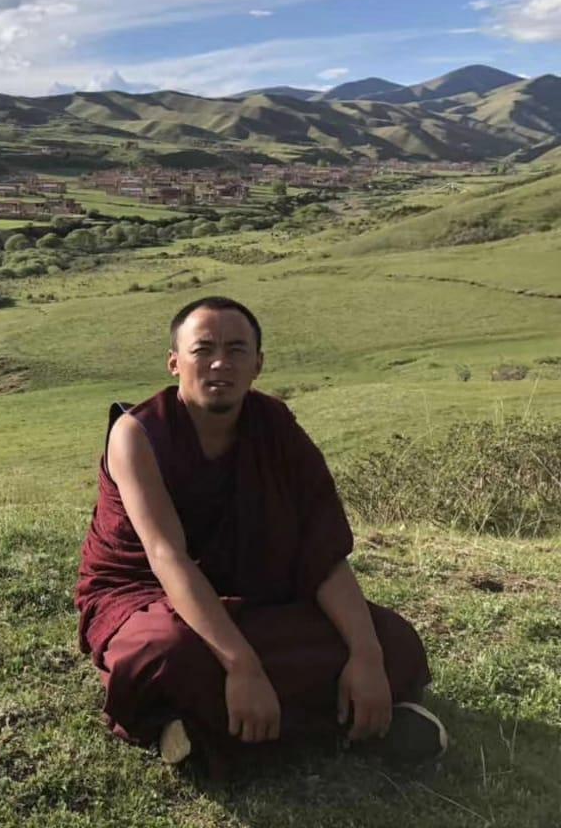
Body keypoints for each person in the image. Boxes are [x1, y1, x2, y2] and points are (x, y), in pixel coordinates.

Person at [75, 296, 445, 774]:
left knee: (394, 640)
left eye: (236, 350)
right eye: (202, 349)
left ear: (258, 364)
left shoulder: (277, 429)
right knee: (165, 651)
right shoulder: (137, 434)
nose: (219, 363)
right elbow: (169, 558)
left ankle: (199, 730)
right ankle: (352, 723)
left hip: (256, 593)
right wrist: (242, 665)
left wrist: (367, 654)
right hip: (147, 596)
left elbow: (322, 556)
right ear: (174, 363)